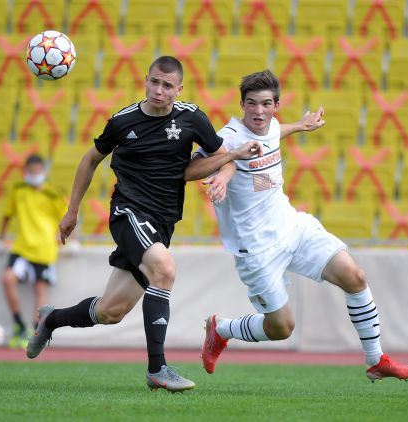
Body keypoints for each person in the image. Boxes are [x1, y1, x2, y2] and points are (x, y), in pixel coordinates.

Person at [25, 56, 262, 392]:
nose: (159, 90)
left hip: (163, 222)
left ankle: (51, 319)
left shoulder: (192, 118)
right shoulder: (123, 121)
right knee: (164, 269)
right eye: (154, 82)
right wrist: (71, 211)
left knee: (110, 311)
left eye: (167, 85)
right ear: (145, 80)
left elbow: (223, 155)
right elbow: (90, 159)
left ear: (179, 89)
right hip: (129, 212)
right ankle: (157, 369)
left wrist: (223, 175)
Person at [186, 70, 408, 382]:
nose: (258, 111)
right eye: (252, 104)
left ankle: (376, 359)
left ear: (276, 105)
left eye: (266, 104)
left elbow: (272, 133)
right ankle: (221, 328)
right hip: (256, 248)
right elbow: (189, 169)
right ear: (242, 104)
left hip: (291, 226)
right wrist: (225, 169)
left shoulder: (269, 126)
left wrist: (300, 126)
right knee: (281, 329)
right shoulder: (229, 137)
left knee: (355, 277)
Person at [0, 154, 66, 348]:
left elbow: (68, 217)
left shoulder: (53, 193)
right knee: (8, 278)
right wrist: (0, 239)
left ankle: (37, 333)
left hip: (45, 249)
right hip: (22, 247)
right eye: (31, 171)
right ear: (25, 172)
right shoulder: (18, 190)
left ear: (43, 171)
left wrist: (71, 240)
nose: (34, 175)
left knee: (39, 289)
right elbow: (7, 215)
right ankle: (19, 324)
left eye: (37, 171)